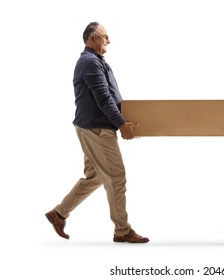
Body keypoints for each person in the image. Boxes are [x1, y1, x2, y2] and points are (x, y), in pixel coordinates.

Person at [45, 22, 149, 243]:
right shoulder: (90, 62)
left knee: (95, 176)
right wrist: (121, 124)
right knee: (117, 177)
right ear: (92, 39)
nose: (108, 41)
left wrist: (127, 118)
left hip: (92, 127)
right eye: (105, 37)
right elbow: (103, 98)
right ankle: (122, 230)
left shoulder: (95, 61)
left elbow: (110, 96)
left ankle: (59, 213)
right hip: (97, 129)